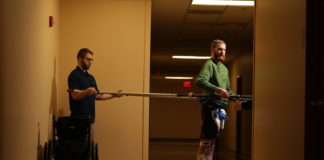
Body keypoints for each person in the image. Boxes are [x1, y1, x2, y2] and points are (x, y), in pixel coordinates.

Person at [195, 40, 242, 160]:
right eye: (219, 49)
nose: (222, 52)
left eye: (224, 49)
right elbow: (200, 81)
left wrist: (237, 98)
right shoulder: (209, 64)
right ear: (213, 50)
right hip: (210, 106)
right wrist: (217, 90)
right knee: (207, 138)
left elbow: (227, 90)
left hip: (221, 108)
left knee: (213, 140)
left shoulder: (225, 69)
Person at [68, 48, 122, 140]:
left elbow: (97, 96)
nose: (90, 62)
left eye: (91, 60)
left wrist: (114, 95)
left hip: (90, 121)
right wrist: (87, 91)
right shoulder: (74, 75)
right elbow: (75, 96)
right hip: (78, 120)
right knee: (79, 150)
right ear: (79, 59)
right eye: (88, 59)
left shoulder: (91, 78)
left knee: (90, 149)